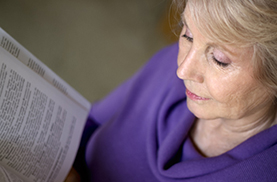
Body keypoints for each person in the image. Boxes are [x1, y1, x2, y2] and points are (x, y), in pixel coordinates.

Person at [66, 0, 277, 181]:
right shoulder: (169, 61)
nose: (182, 70)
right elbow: (92, 120)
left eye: (218, 59)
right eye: (188, 35)